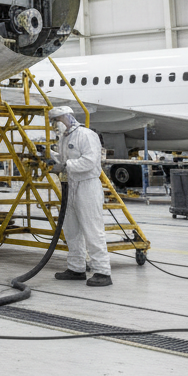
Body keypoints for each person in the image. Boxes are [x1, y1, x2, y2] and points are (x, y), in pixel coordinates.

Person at [47, 106, 112, 287]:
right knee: (71, 230)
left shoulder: (86, 135)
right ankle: (76, 268)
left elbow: (90, 161)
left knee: (92, 230)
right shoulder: (64, 138)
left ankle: (102, 271)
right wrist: (48, 154)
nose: (55, 124)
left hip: (87, 186)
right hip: (70, 185)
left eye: (57, 120)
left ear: (67, 117)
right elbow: (63, 159)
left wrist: (66, 165)